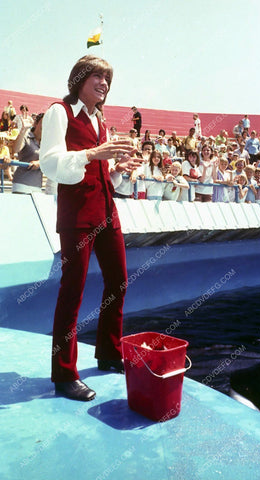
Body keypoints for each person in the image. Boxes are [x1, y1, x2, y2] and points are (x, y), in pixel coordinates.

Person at [39, 55, 141, 402]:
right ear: (79, 78)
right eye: (98, 76)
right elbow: (51, 163)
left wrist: (120, 168)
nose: (104, 84)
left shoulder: (101, 121)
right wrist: (94, 153)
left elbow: (102, 171)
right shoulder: (59, 112)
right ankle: (64, 374)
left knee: (119, 280)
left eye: (108, 79)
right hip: (77, 214)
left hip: (107, 211)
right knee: (73, 290)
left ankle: (109, 352)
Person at [12, 113, 44, 194]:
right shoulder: (26, 136)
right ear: (35, 123)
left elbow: (50, 160)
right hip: (21, 184)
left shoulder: (47, 142)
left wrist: (39, 163)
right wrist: (23, 130)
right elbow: (15, 150)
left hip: (37, 186)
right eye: (43, 123)